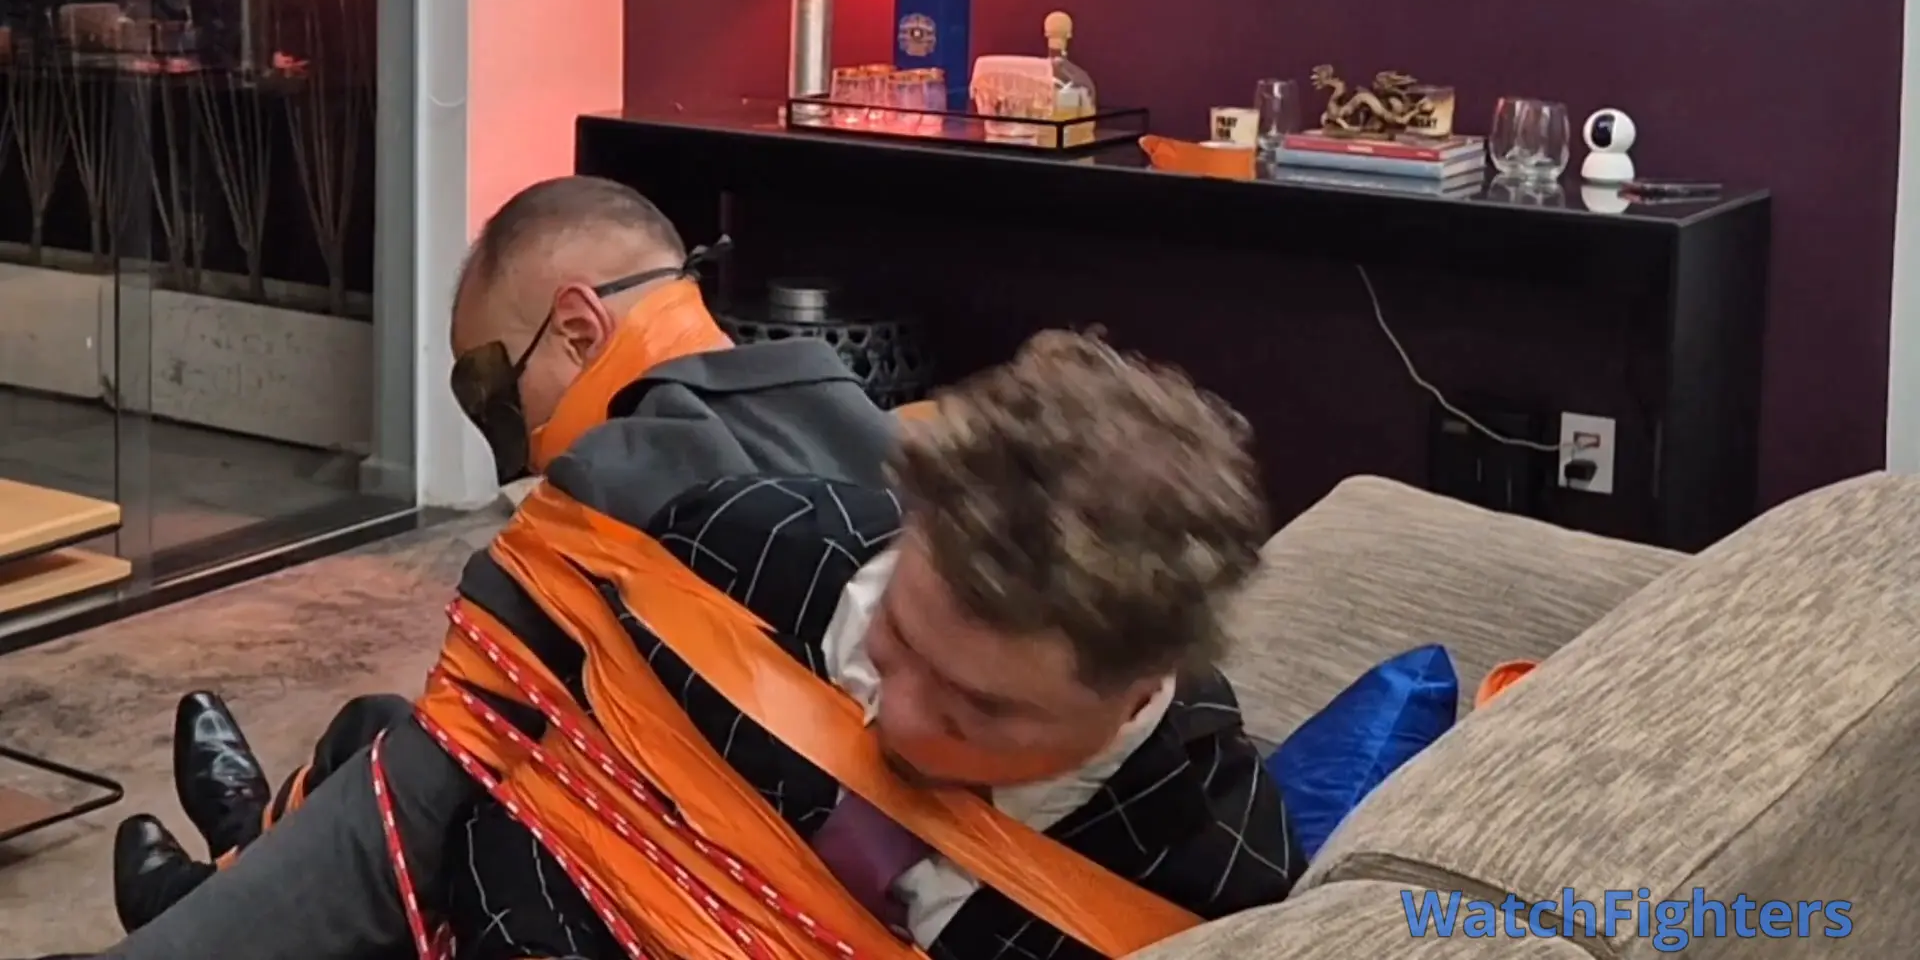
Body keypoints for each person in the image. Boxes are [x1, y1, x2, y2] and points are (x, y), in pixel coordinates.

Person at [95, 180, 1301, 960]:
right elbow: (461, 755)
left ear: (1138, 685)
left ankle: (228, 852)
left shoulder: (1203, 878)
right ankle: (227, 863)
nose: (897, 720)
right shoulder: (743, 538)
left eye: (981, 710)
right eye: (891, 640)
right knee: (388, 734)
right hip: (484, 865)